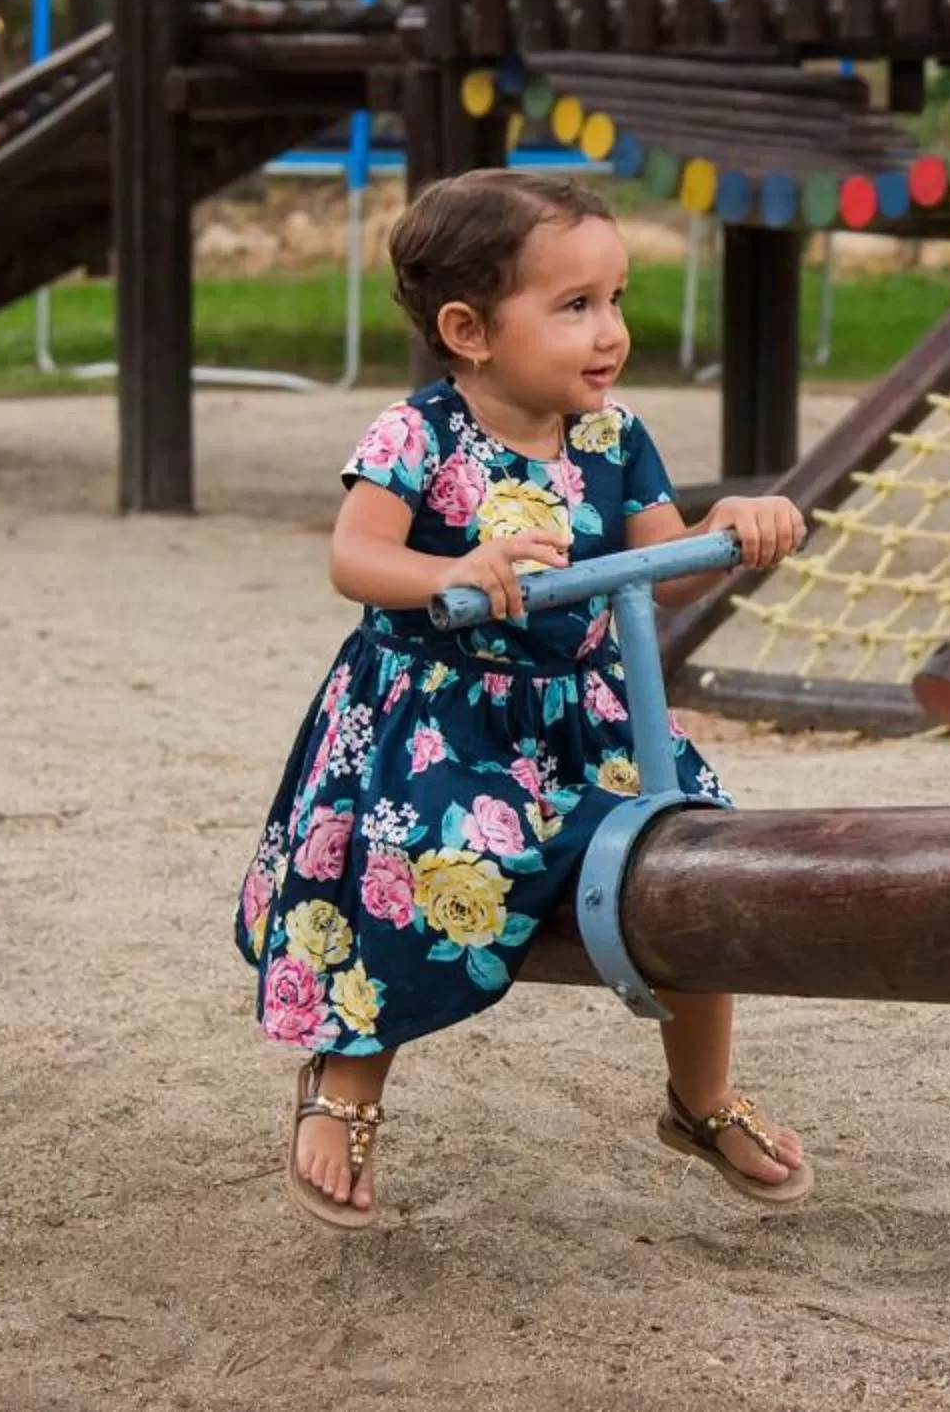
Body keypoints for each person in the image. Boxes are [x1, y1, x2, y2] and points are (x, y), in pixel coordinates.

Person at [233, 169, 811, 1230]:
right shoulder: (418, 434)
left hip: (586, 715)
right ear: (469, 330)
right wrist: (450, 570)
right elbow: (355, 557)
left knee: (695, 856)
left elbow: (661, 568)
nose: (611, 332)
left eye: (617, 299)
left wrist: (727, 529)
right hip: (436, 721)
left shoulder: (614, 437)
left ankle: (701, 1095)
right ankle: (345, 1076)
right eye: (575, 305)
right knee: (416, 866)